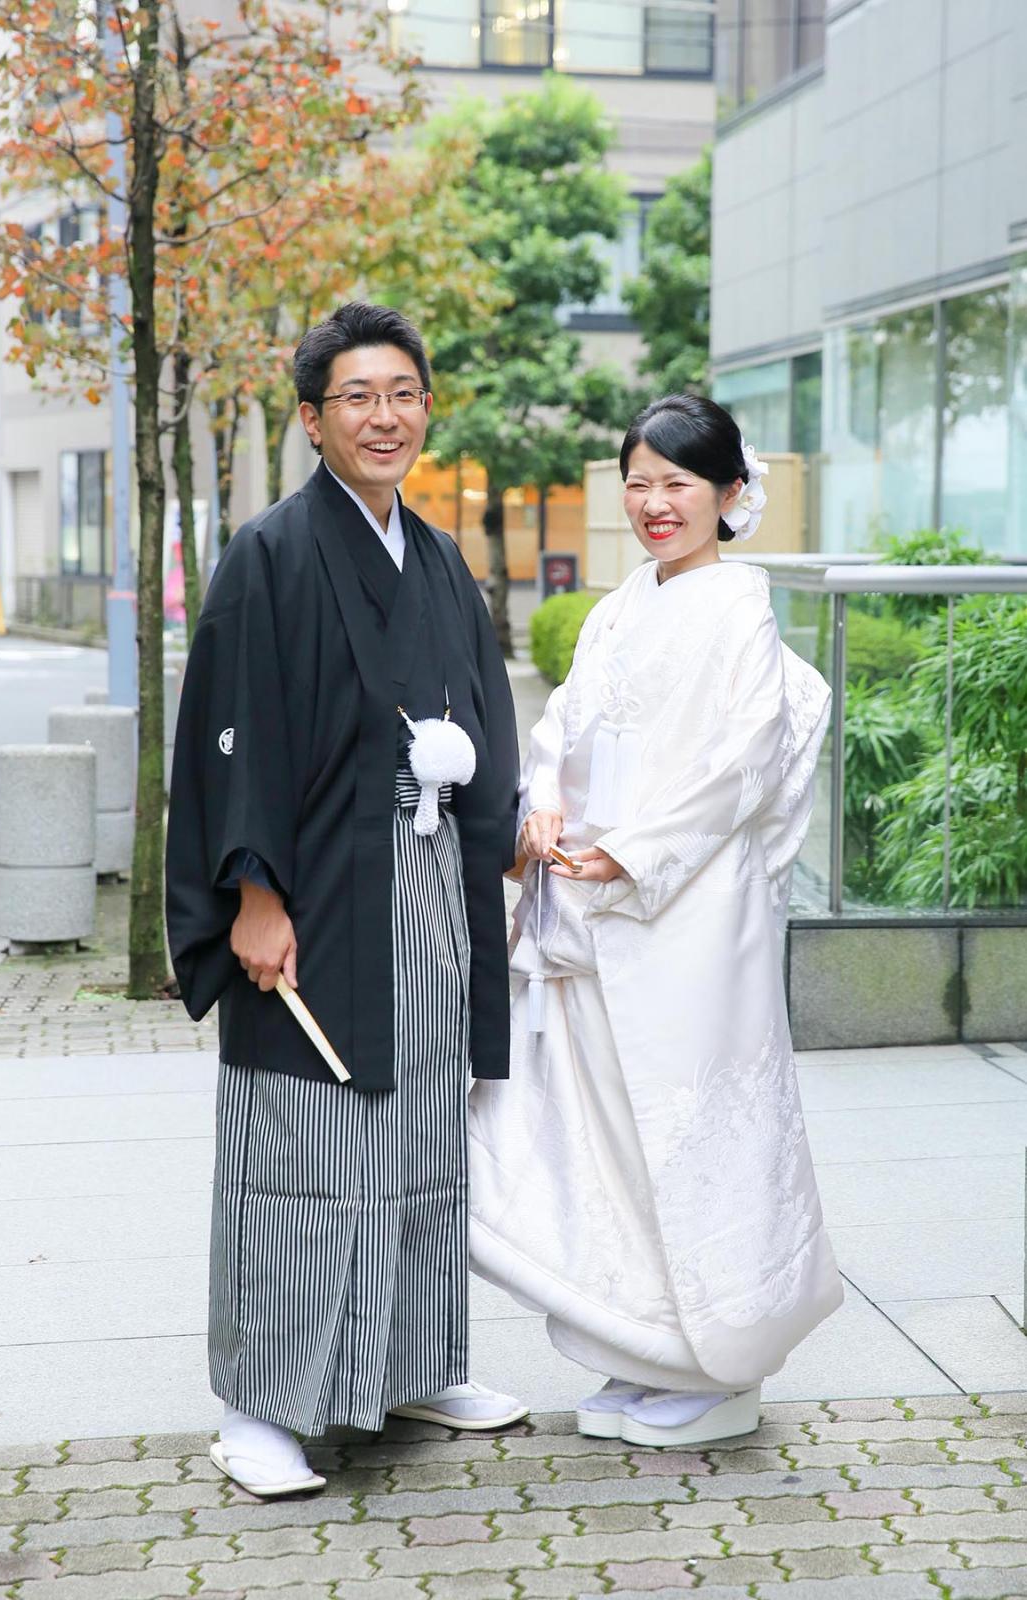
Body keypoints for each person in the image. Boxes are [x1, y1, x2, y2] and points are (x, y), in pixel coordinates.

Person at [166, 302, 526, 1498]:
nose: (384, 416)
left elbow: (481, 716)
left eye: (403, 394)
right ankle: (259, 1406)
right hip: (313, 889)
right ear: (313, 420)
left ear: (426, 409)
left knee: (418, 1134)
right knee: (299, 1149)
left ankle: (412, 1363)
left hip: (424, 886)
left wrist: (497, 817)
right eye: (357, 397)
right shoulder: (270, 553)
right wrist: (251, 892)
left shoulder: (436, 557)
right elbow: (233, 733)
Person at [469, 394, 843, 1449]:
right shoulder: (618, 607)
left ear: (730, 493)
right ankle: (649, 1347)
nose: (654, 504)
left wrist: (634, 850)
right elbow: (564, 725)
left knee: (691, 1130)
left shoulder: (739, 610)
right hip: (592, 903)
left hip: (688, 916)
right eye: (638, 483)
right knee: (613, 1140)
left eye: (678, 483)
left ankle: (724, 1368)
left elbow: (739, 763)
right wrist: (543, 804)